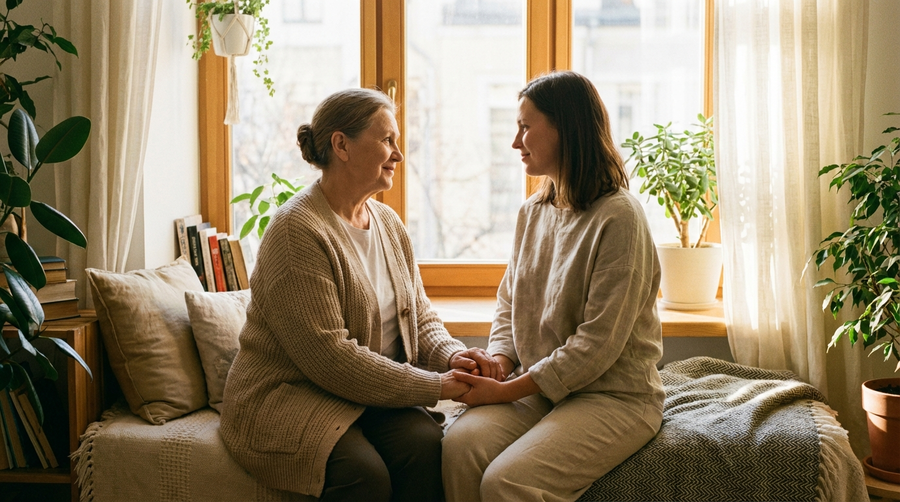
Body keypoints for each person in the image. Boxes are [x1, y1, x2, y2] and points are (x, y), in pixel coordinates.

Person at [219, 87, 503, 502]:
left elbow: (418, 317)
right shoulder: (296, 231)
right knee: (364, 476)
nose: (398, 155)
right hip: (291, 394)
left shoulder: (387, 222)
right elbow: (330, 358)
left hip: (363, 394)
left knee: (427, 446)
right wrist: (436, 386)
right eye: (388, 140)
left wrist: (452, 356)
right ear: (341, 145)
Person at [442, 71, 666, 502]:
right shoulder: (533, 211)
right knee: (459, 446)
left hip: (614, 398)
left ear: (567, 128)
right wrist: (501, 362)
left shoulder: (620, 217)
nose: (515, 142)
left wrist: (506, 392)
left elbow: (596, 345)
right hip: (540, 390)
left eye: (525, 127)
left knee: (506, 481)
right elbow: (510, 301)